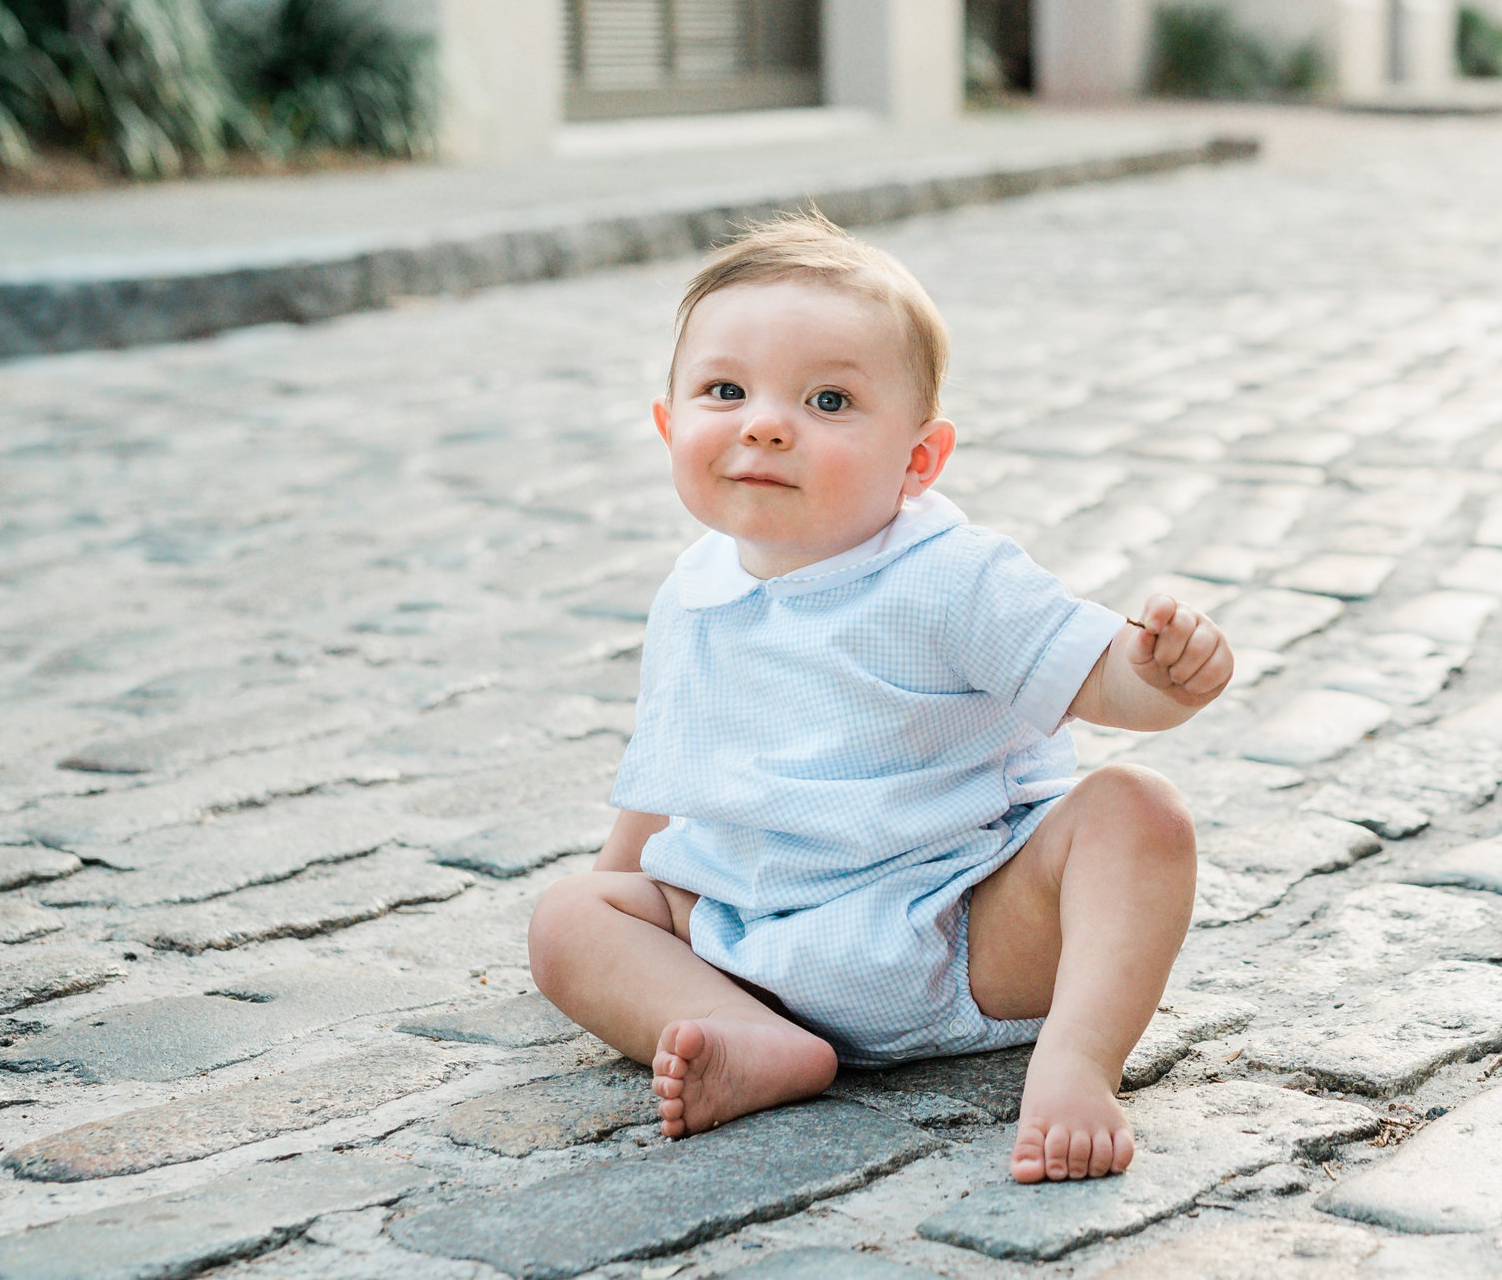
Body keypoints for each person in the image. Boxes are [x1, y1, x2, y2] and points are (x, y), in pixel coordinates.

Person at [527, 211, 1230, 1185]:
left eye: (827, 399)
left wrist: (1157, 676)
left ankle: (1074, 1067)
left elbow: (1094, 673)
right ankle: (749, 1039)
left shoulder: (949, 575)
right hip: (745, 940)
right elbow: (666, 764)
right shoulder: (693, 587)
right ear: (668, 425)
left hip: (955, 929)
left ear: (919, 460)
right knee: (566, 918)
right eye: (724, 391)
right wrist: (618, 907)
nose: (765, 423)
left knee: (1138, 811)